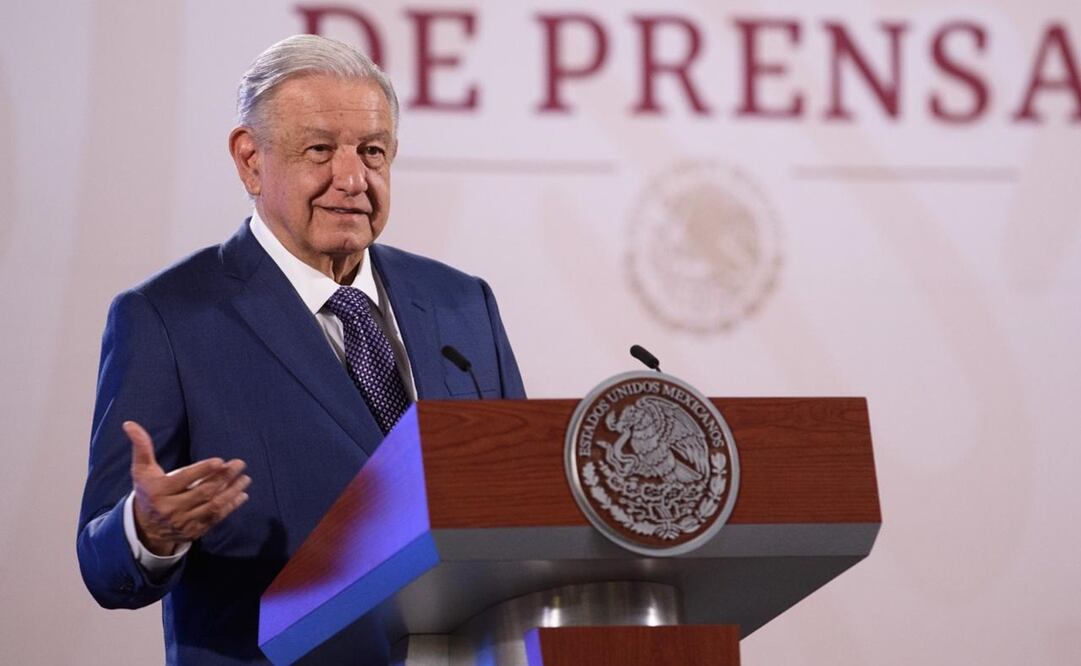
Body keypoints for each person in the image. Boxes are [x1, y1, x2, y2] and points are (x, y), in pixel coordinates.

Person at [76, 34, 525, 665]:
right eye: (320, 150)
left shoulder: (460, 302)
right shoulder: (167, 318)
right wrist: (147, 529)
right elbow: (101, 565)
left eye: (373, 152)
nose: (352, 178)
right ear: (250, 159)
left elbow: (520, 505)